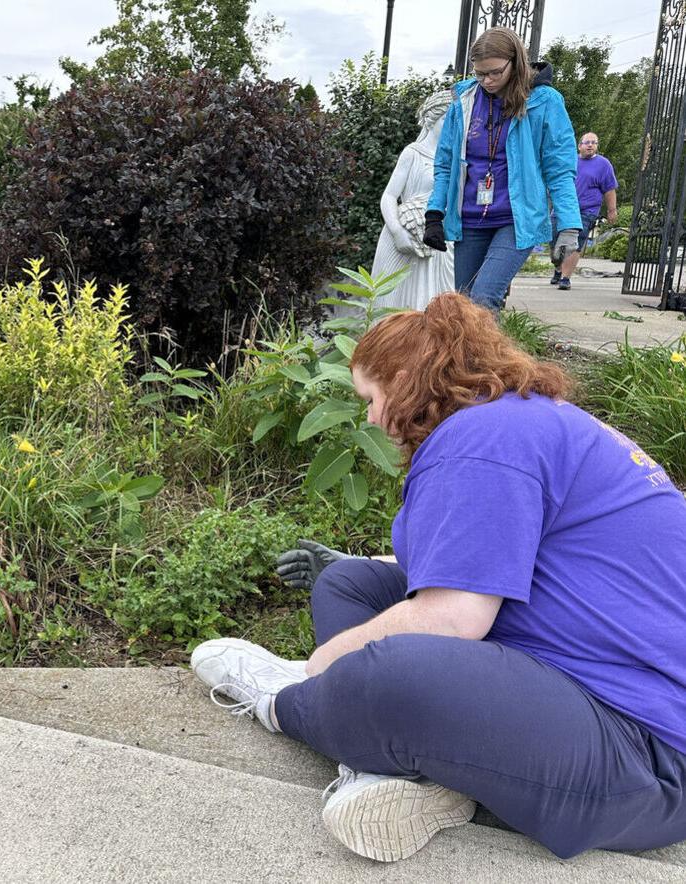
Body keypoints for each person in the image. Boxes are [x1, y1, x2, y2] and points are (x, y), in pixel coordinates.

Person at [190, 293, 686, 863]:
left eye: (371, 399)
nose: (373, 419)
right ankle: (403, 771)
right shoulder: (522, 420)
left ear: (404, 379)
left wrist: (315, 673)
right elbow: (508, 564)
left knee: (382, 672)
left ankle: (282, 702)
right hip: (584, 684)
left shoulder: (480, 440)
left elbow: (453, 619)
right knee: (349, 583)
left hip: (643, 755)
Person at [423, 27, 581, 314]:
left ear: (515, 62)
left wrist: (569, 226)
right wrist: (434, 213)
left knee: (483, 299)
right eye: (480, 73)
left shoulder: (545, 101)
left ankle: (486, 361)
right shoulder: (464, 101)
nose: (487, 80)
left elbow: (559, 169)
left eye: (495, 72)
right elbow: (445, 162)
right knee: (463, 306)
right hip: (470, 219)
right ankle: (471, 360)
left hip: (516, 219)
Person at [370, 90, 455, 310]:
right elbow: (389, 196)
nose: (450, 126)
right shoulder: (413, 153)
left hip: (439, 238)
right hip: (407, 234)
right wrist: (397, 231)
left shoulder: (455, 158)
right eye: (446, 118)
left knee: (436, 302)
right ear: (431, 119)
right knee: (400, 303)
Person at [550, 132, 620, 290]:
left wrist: (611, 210)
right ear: (579, 145)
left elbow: (609, 190)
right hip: (561, 208)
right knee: (554, 241)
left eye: (594, 143)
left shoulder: (603, 164)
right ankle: (558, 268)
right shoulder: (569, 160)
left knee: (575, 243)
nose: (590, 145)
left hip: (586, 211)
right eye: (587, 142)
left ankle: (565, 278)